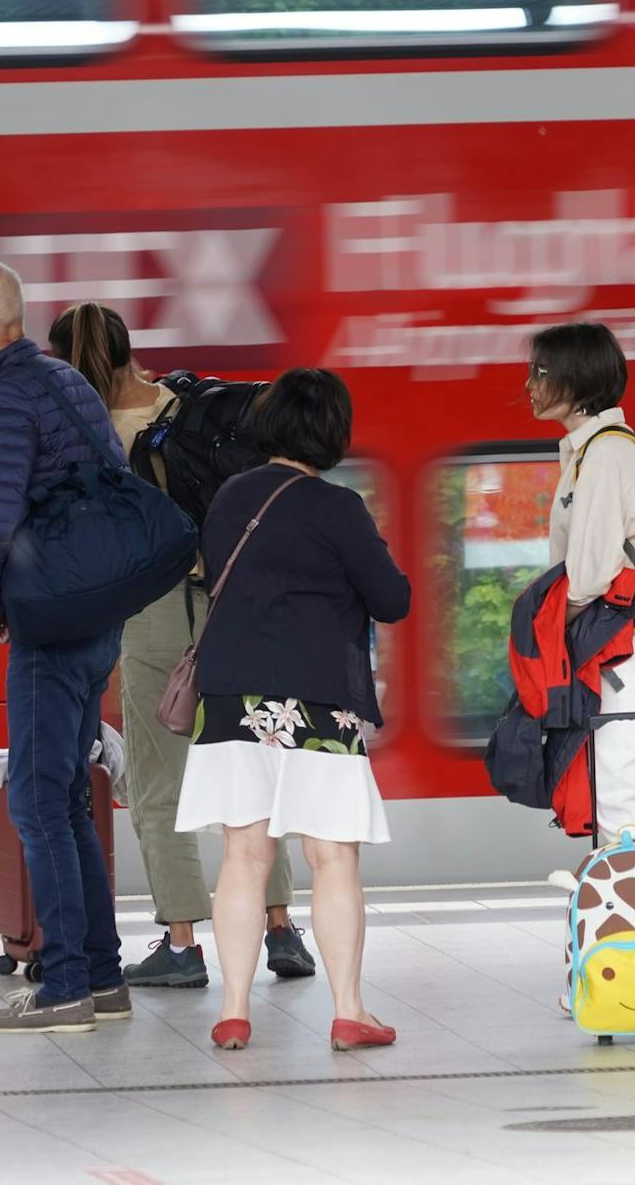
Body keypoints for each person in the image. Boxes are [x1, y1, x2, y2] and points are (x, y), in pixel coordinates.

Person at [48, 303, 315, 990]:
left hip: (156, 610)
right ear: (127, 349)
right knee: (253, 767)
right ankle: (280, 927)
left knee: (160, 780)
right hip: (239, 606)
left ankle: (183, 943)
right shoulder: (188, 402)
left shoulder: (90, 432)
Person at [172, 367, 409, 1052]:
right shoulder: (338, 507)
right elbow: (392, 599)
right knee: (331, 856)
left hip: (230, 699)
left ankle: (234, 1011)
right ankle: (348, 1011)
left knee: (244, 854)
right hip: (318, 700)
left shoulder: (229, 499)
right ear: (332, 431)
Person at [0, 260, 128, 1034]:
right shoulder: (69, 383)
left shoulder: (1, 394)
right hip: (97, 615)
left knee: (34, 797)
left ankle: (65, 987)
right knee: (65, 795)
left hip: (50, 621)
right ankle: (103, 974)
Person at [528, 323, 635, 842]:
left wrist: (548, 625)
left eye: (540, 372)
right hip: (625, 646)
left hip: (631, 647)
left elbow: (588, 573)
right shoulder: (590, 453)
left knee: (622, 798)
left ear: (576, 378)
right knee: (622, 793)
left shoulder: (607, 456)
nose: (529, 385)